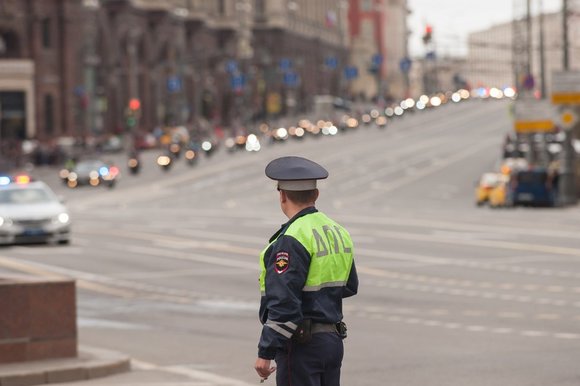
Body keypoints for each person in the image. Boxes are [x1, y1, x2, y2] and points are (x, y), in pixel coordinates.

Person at [254, 156, 358, 386]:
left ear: (282, 195)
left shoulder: (292, 238)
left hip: (302, 346)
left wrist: (266, 351)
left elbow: (284, 304)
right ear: (316, 195)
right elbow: (349, 285)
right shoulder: (337, 231)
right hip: (332, 342)